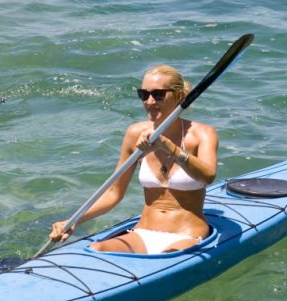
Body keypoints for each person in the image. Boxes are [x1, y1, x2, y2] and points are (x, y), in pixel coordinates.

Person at [49, 64, 218, 254]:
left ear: (179, 97)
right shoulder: (135, 133)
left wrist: (168, 146)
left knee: (166, 258)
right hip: (143, 233)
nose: (150, 101)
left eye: (158, 94)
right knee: (97, 249)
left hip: (187, 235)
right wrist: (73, 221)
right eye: (144, 95)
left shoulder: (202, 133)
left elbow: (208, 176)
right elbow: (113, 193)